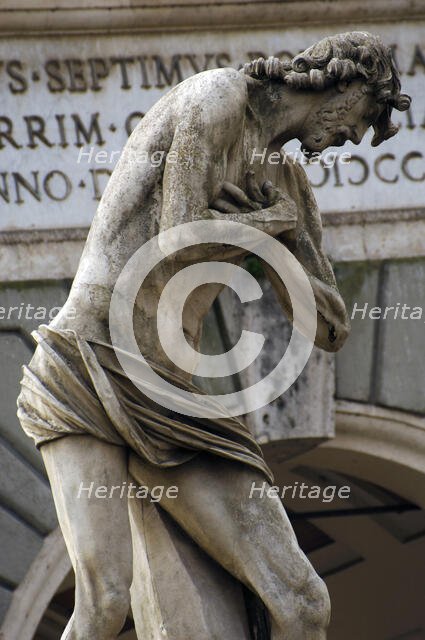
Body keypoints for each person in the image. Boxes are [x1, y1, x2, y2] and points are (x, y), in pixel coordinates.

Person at [18, 31, 410, 640]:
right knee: (103, 601)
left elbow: (331, 325)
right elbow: (178, 239)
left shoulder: (288, 181)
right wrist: (263, 227)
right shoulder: (218, 96)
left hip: (170, 392)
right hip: (88, 363)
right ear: (341, 83)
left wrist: (284, 236)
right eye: (363, 116)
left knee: (303, 602)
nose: (355, 137)